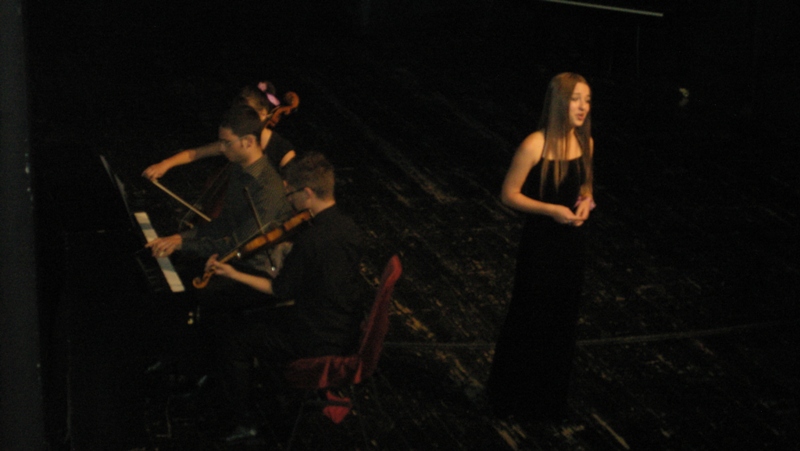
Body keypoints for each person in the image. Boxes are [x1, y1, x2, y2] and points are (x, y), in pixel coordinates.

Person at [204, 151, 367, 440]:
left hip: (316, 336)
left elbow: (279, 290)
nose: (289, 200)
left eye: (291, 194)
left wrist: (232, 273)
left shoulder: (311, 239)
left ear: (308, 193)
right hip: (346, 326)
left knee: (235, 338)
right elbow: (328, 272)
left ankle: (245, 421)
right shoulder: (349, 227)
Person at [486, 72, 595, 421]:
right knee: (529, 317)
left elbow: (586, 187)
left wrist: (586, 203)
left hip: (572, 246)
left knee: (561, 321)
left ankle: (546, 400)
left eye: (587, 100)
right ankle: (510, 398)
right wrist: (551, 210)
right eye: (576, 99)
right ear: (560, 102)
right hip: (542, 245)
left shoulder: (586, 142)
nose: (583, 107)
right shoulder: (535, 144)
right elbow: (509, 194)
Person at [145, 105, 293, 282]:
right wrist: (178, 238)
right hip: (229, 256)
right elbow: (223, 224)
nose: (221, 148)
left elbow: (237, 245)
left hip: (255, 272)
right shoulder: (239, 167)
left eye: (226, 142)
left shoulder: (268, 189)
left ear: (248, 142)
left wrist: (182, 245)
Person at [141, 80, 297, 180]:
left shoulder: (282, 150)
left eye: (247, 112)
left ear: (263, 114)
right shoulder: (235, 138)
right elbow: (195, 153)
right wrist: (165, 164)